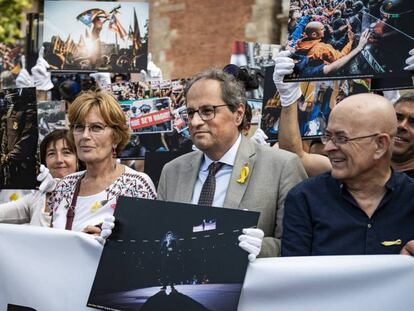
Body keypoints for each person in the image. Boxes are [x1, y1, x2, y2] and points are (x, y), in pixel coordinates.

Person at [157, 69, 307, 259]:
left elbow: (296, 246)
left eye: (207, 111)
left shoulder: (281, 167)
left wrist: (262, 248)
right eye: (190, 112)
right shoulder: (172, 171)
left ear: (238, 114)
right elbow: (160, 237)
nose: (195, 122)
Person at [281, 93, 414, 256]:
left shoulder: (410, 198)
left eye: (341, 138)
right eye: (328, 136)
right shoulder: (304, 199)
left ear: (380, 144)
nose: (328, 147)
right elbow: (293, 276)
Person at [274, 51, 414, 177]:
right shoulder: (357, 169)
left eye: (413, 122)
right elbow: (295, 158)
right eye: (398, 117)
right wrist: (288, 96)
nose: (402, 126)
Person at [48, 90, 157, 233]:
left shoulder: (137, 185)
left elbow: (149, 245)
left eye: (96, 127)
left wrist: (109, 245)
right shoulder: (64, 186)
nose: (85, 136)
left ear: (116, 137)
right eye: (79, 127)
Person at [0, 129, 77, 226]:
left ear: (78, 159)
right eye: (51, 154)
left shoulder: (85, 194)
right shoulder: (38, 197)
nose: (59, 160)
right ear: (44, 161)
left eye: (66, 152)